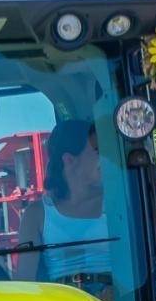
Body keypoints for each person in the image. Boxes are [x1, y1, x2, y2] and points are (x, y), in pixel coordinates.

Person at [14, 119, 109, 288]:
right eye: (96, 152)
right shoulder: (36, 214)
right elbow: (24, 284)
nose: (105, 159)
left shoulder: (116, 203)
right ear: (70, 160)